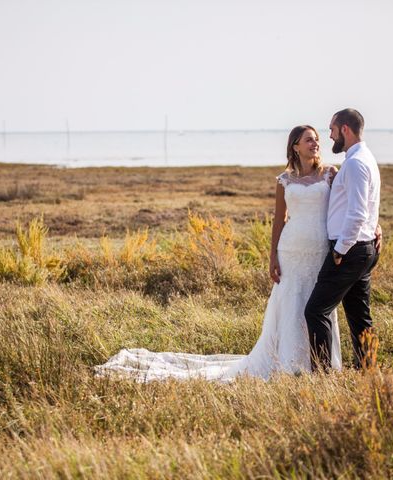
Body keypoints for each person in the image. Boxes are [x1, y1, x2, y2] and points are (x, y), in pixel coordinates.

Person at [94, 125, 342, 381]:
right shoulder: (285, 180)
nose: (315, 144)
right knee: (292, 303)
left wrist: (372, 226)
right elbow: (279, 220)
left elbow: (346, 205)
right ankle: (291, 364)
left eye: (317, 140)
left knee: (319, 304)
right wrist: (272, 257)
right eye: (309, 140)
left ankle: (323, 362)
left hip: (319, 250)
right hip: (290, 251)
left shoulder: (329, 174)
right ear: (295, 146)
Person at [305, 108, 381, 371]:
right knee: (359, 316)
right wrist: (374, 227)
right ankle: (368, 371)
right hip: (360, 246)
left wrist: (339, 250)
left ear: (345, 130)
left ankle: (323, 374)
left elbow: (358, 212)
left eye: (332, 130)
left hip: (350, 250)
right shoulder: (361, 159)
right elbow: (364, 205)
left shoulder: (357, 163)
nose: (330, 136)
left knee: (316, 310)